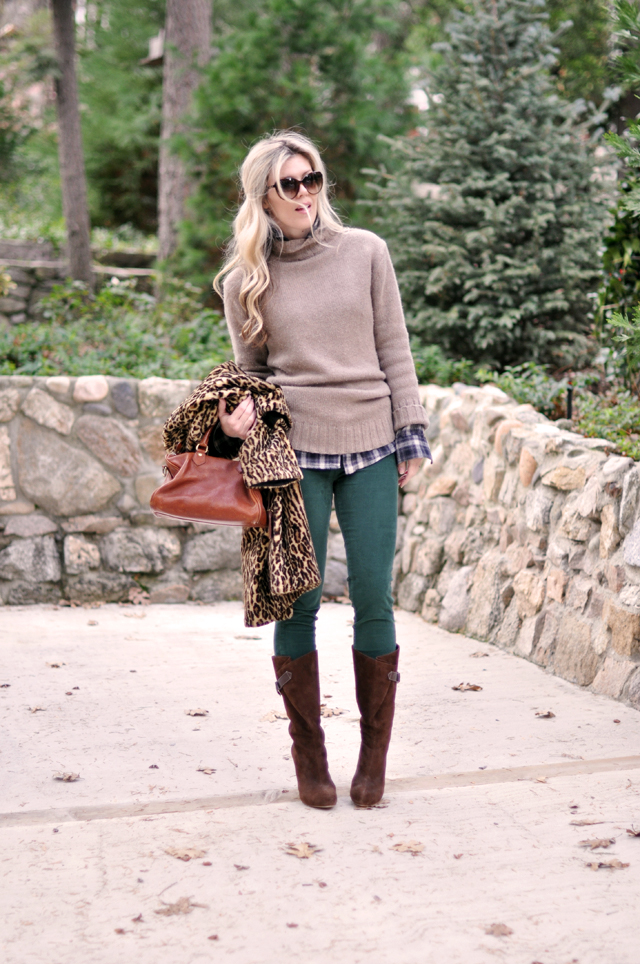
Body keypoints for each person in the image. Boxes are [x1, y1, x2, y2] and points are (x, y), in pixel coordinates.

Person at [214, 130, 431, 810]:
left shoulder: (366, 251)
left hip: (370, 444)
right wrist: (233, 419)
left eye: (313, 179)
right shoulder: (243, 281)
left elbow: (394, 346)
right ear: (263, 197)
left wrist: (411, 432)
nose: (306, 193)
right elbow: (251, 375)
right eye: (290, 184)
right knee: (299, 604)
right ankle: (310, 756)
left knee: (374, 596)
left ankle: (373, 759)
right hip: (293, 451)